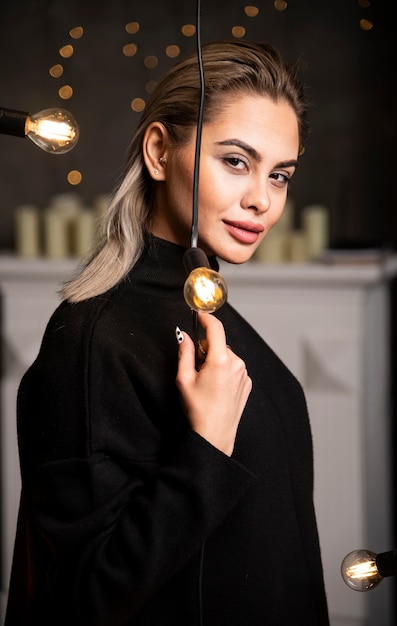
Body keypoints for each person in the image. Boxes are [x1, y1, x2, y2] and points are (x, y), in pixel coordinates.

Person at [5, 39, 330, 625]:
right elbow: (81, 600)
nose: (261, 199)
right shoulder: (89, 338)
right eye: (235, 161)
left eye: (279, 175)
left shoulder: (212, 316)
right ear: (159, 151)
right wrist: (204, 450)